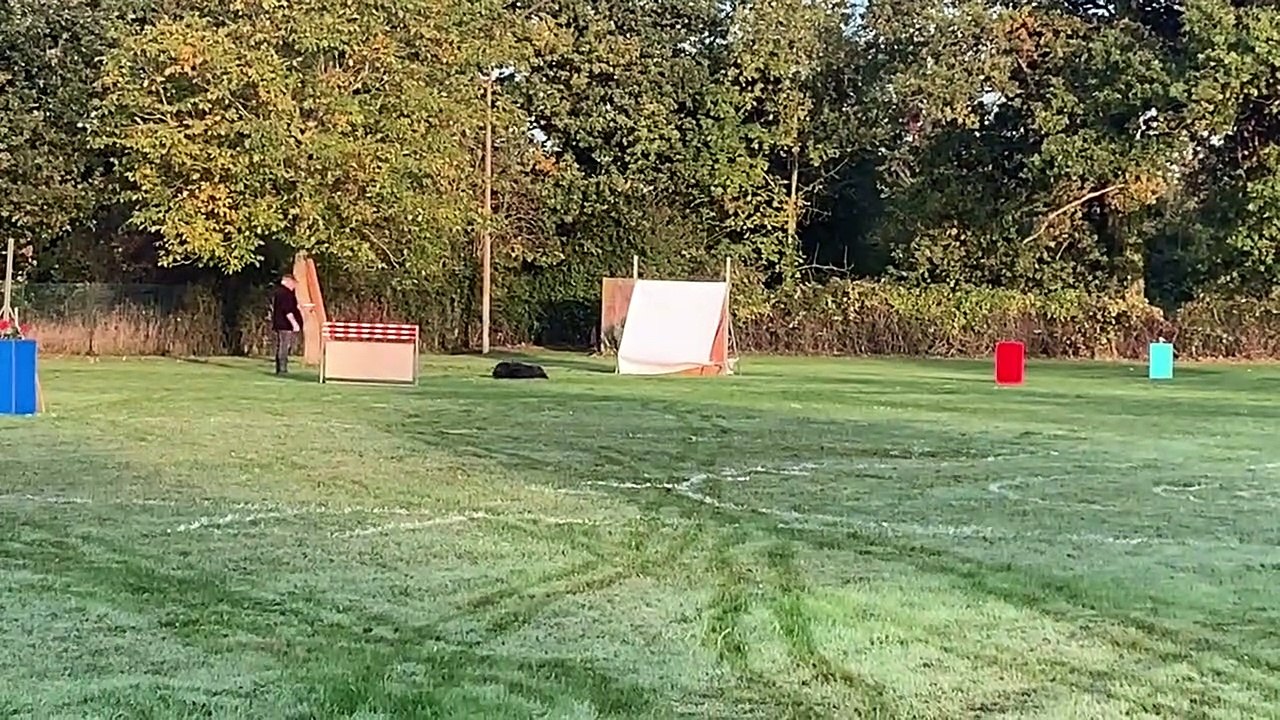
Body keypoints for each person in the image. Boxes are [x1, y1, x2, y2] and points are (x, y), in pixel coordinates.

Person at [271, 274, 303, 375]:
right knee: (284, 346)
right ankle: (282, 368)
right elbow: (287, 310)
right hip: (285, 324)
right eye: (293, 284)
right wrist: (294, 323)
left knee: (281, 345)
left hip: (279, 323)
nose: (294, 287)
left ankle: (280, 368)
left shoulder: (279, 293)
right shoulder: (286, 294)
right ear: (289, 282)